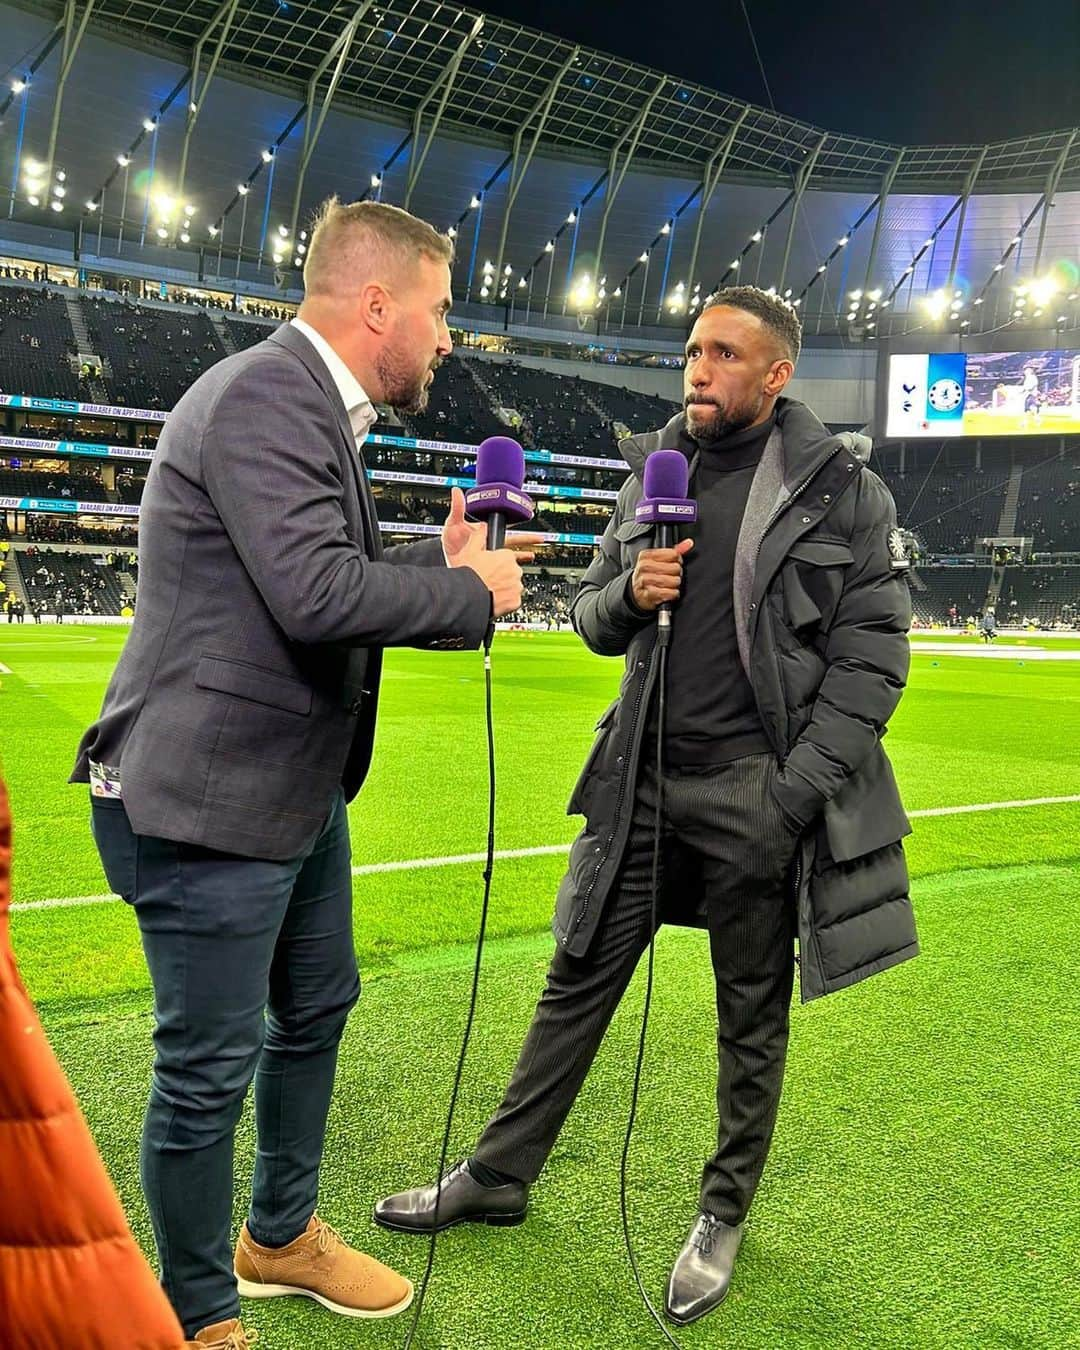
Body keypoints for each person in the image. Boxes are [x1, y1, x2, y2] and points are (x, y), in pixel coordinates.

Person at [375, 286, 918, 1327]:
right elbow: (588, 613)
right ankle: (499, 1171)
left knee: (747, 1014)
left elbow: (873, 662)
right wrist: (632, 595)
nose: (697, 370)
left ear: (776, 373)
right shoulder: (653, 471)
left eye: (723, 353)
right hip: (641, 778)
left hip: (757, 790)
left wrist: (791, 796)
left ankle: (722, 1213)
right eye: (691, 351)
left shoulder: (842, 489)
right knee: (576, 975)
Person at [70, 197, 534, 1349]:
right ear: (376, 304)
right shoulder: (271, 395)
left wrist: (432, 559)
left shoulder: (307, 405)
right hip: (208, 797)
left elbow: (317, 563)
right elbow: (315, 595)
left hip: (286, 791)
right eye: (436, 313)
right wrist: (472, 595)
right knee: (205, 1070)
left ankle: (277, 1237)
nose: (444, 340)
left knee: (316, 1006)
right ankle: (197, 1316)